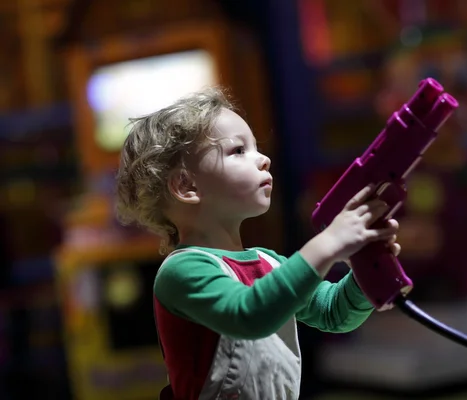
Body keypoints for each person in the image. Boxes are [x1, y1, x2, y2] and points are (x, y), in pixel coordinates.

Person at [115, 87, 401, 400]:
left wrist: (362, 270)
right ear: (186, 185)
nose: (263, 159)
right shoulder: (181, 271)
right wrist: (329, 243)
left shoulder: (268, 263)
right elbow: (248, 314)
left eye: (256, 147)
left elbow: (333, 312)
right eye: (238, 150)